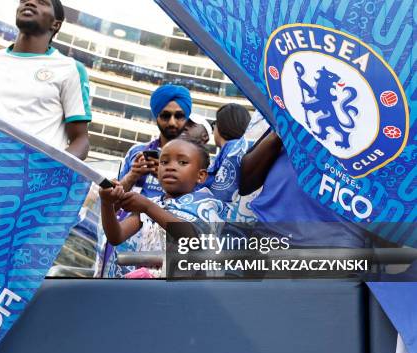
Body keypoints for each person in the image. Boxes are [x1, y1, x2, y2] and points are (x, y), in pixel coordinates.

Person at [0, 0, 91, 160]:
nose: (30, 3)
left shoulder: (70, 68)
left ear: (56, 25)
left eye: (41, 2)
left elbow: (80, 140)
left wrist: (50, 170)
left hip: (34, 180)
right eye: (24, 0)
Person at [100, 138, 225, 278]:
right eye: (164, 162)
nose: (170, 167)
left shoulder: (206, 204)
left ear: (200, 176)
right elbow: (116, 236)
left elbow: (193, 240)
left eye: (182, 162)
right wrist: (106, 203)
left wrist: (148, 207)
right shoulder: (152, 203)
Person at [239, 130, 367, 247]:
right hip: (271, 238)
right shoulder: (293, 112)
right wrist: (280, 129)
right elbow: (246, 183)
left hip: (335, 252)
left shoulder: (380, 137)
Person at [118, 84, 192, 197]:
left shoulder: (195, 159)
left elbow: (195, 203)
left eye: (179, 116)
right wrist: (132, 176)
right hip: (130, 214)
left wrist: (164, 177)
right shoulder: (137, 151)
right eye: (165, 116)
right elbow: (114, 199)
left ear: (187, 119)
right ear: (156, 117)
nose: (172, 122)